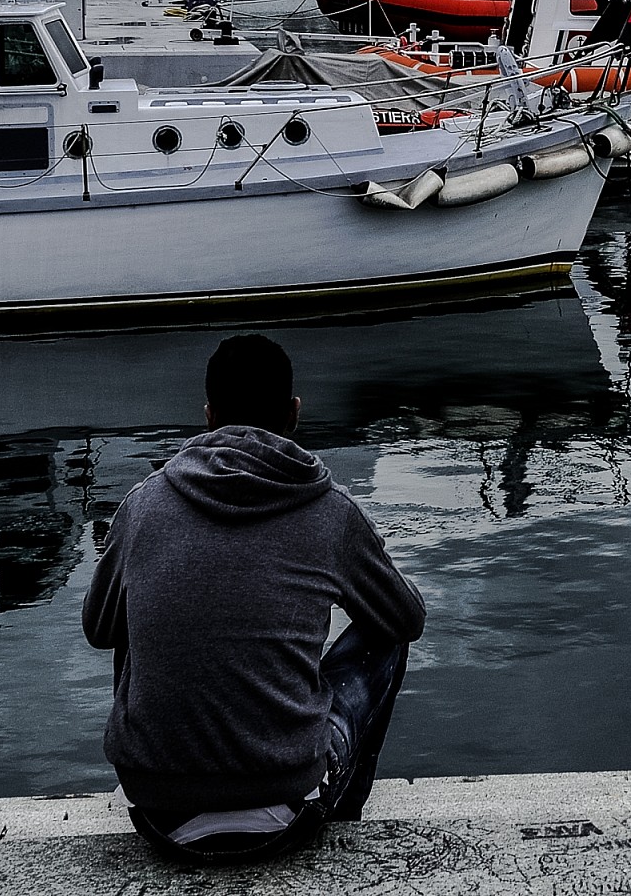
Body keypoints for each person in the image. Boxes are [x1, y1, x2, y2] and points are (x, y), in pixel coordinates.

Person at [83, 333, 426, 864]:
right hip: (286, 809)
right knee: (387, 634)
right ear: (293, 413)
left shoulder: (142, 506)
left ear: (208, 414)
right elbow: (407, 618)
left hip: (156, 810)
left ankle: (174, 759)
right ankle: (340, 811)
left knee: (131, 612)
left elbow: (97, 630)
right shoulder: (331, 512)